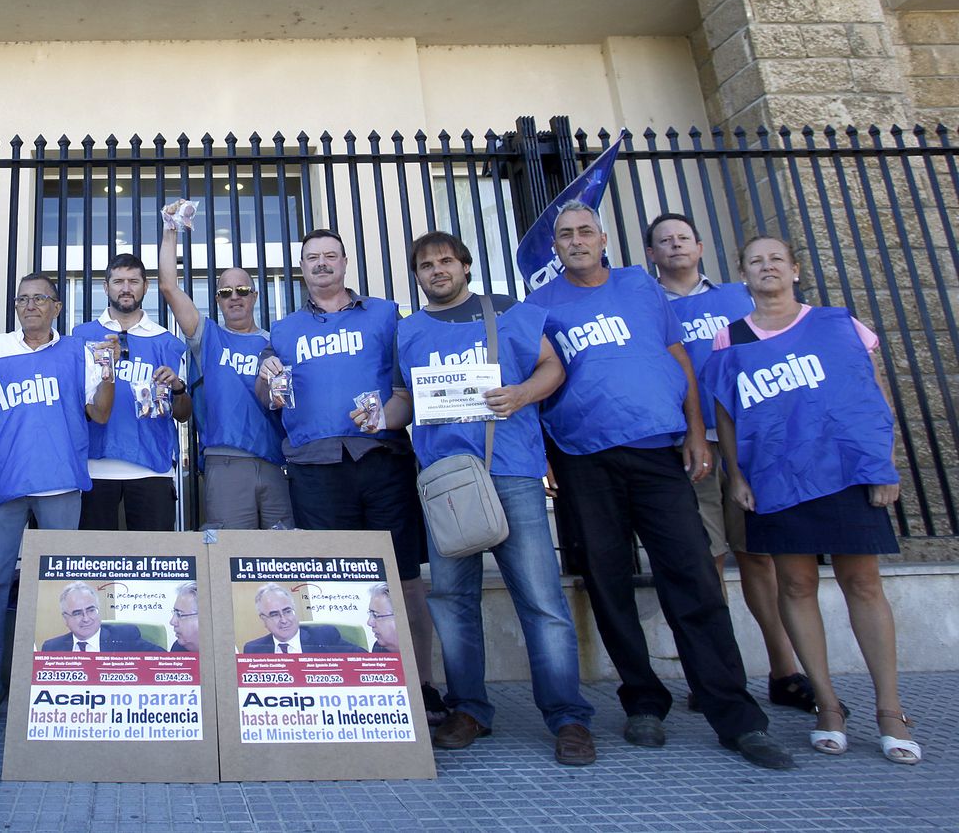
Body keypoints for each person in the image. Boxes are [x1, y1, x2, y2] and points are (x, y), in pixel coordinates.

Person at [527, 201, 793, 770]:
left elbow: (679, 358)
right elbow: (537, 383)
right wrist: (546, 456)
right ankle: (643, 701)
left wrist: (697, 431)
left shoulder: (641, 287)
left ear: (602, 238)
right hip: (582, 459)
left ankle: (737, 716)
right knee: (608, 584)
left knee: (692, 576)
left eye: (584, 232)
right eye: (565, 236)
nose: (575, 241)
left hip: (657, 451)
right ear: (556, 247)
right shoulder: (538, 307)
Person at [706, 235, 920, 764]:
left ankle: (890, 712)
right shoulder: (728, 338)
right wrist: (737, 475)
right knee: (796, 584)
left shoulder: (838, 324)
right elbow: (727, 412)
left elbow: (873, 392)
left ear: (795, 269)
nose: (767, 267)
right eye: (754, 261)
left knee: (863, 583)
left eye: (776, 258)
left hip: (845, 472)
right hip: (776, 479)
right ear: (743, 276)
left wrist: (881, 461)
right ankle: (827, 706)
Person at [387, 231, 596, 766]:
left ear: (464, 266)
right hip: (446, 479)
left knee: (542, 600)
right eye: (425, 265)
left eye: (445, 261)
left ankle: (568, 717)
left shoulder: (507, 311)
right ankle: (470, 709)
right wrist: (379, 418)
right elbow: (406, 400)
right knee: (453, 601)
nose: (436, 271)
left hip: (512, 470)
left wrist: (523, 394)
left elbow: (553, 367)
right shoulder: (407, 331)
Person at [256, 229, 446, 720]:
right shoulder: (282, 330)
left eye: (329, 256)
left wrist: (388, 416)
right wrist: (269, 388)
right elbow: (267, 395)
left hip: (381, 460)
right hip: (315, 467)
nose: (321, 264)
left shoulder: (386, 315)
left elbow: (408, 388)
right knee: (332, 583)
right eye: (311, 257)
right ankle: (348, 687)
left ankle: (421, 684)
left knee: (404, 579)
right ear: (301, 267)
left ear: (345, 262)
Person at [646, 212, 814, 715]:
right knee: (706, 562)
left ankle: (785, 671)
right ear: (651, 255)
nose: (674, 246)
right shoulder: (648, 305)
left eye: (682, 238)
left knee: (758, 557)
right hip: (686, 445)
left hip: (752, 444)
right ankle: (721, 676)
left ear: (699, 247)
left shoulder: (739, 298)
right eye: (663, 242)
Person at [0, 273, 115, 729]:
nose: (30, 306)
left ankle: (58, 686)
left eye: (40, 299)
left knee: (62, 591)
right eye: (23, 299)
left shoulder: (78, 352)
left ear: (57, 307)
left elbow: (101, 412)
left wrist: (109, 370)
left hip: (59, 484)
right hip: (4, 484)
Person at [157, 217, 290, 528]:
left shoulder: (276, 342)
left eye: (242, 290)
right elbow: (168, 286)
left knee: (282, 560)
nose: (235, 297)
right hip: (226, 462)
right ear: (217, 299)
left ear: (255, 295)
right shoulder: (209, 337)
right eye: (226, 292)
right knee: (232, 558)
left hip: (274, 462)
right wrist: (170, 229)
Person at [71, 254, 191, 531]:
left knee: (154, 563)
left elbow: (184, 415)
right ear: (106, 286)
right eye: (119, 281)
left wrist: (178, 388)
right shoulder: (80, 336)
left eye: (133, 281)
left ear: (145, 287)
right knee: (95, 565)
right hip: (93, 467)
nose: (126, 288)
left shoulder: (167, 341)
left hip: (152, 468)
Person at [41, 582, 165, 652]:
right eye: (77, 613)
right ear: (65, 618)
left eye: (91, 610)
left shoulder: (125, 636)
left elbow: (163, 659)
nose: (86, 618)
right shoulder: (52, 648)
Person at [242, 583, 364, 654]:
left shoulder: (324, 636)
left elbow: (364, 659)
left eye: (287, 611)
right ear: (263, 619)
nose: (284, 620)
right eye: (274, 615)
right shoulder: (253, 649)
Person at [170, 581, 202, 652]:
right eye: (175, 613)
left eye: (179, 614)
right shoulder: (179, 648)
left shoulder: (227, 652)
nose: (172, 622)